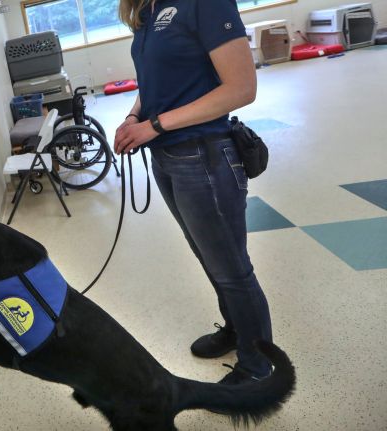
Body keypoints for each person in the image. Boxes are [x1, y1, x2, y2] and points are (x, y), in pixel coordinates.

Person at [113, 0, 273, 384]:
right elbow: (155, 83)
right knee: (208, 256)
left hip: (204, 156)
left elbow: (241, 88)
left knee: (233, 269)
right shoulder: (147, 11)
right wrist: (136, 117)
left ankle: (259, 367)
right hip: (166, 156)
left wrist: (155, 124)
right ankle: (237, 331)